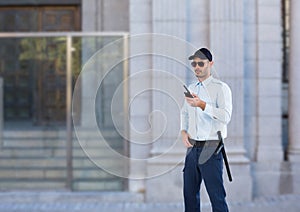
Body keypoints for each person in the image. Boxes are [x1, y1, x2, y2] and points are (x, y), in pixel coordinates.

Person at [181, 48, 232, 212]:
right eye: (194, 63)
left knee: (216, 197)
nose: (197, 67)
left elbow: (225, 116)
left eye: (201, 63)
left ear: (210, 64)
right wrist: (183, 131)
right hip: (192, 149)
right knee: (189, 196)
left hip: (211, 147)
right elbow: (184, 113)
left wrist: (202, 105)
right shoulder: (190, 87)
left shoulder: (221, 88)